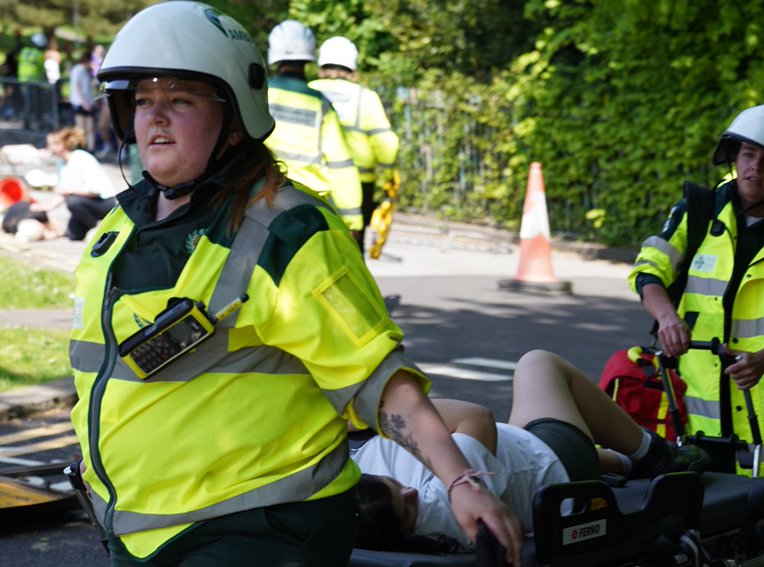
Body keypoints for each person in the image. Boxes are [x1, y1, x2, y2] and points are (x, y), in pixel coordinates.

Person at [69, 3, 520, 565]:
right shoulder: (118, 228)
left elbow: (376, 377)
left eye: (180, 100)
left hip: (256, 529)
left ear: (235, 116)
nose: (154, 118)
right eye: (141, 101)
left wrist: (460, 482)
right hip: (140, 531)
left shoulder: (287, 231)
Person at [629, 103, 764, 566]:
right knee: (700, 548)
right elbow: (649, 270)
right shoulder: (697, 212)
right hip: (700, 426)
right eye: (745, 153)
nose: (753, 166)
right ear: (731, 156)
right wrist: (666, 318)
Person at [352, 349, 710, 551]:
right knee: (538, 363)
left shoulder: (372, 512)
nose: (408, 488)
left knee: (508, 460)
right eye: (403, 497)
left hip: (520, 465)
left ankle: (628, 466)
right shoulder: (446, 504)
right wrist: (379, 412)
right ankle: (653, 454)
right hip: (555, 461)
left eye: (395, 484)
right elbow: (475, 418)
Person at [263, 20, 364, 243]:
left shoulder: (261, 96)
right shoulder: (321, 105)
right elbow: (341, 165)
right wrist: (352, 221)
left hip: (263, 197)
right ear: (309, 58)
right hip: (308, 205)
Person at [309, 36, 400, 254]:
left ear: (322, 64)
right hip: (359, 186)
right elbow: (385, 143)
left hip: (313, 180)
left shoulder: (309, 91)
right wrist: (390, 177)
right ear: (352, 65)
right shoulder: (365, 97)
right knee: (351, 246)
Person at [33, 127, 116, 240]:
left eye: (50, 144)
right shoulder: (60, 164)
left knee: (72, 201)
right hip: (84, 202)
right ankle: (88, 226)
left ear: (60, 145)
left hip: (103, 202)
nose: (48, 148)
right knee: (73, 235)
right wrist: (46, 207)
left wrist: (69, 191)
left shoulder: (81, 158)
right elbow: (63, 192)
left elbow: (94, 191)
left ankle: (98, 229)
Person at [68, 53, 96, 152]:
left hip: (88, 102)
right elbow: (77, 87)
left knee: (90, 127)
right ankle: (80, 148)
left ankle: (91, 148)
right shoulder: (78, 70)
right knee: (81, 128)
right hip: (80, 103)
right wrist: (84, 102)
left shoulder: (86, 71)